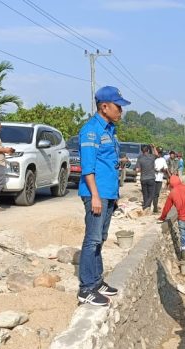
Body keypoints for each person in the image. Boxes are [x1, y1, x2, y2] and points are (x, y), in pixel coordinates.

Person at [76, 86, 130, 306]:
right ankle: (86, 288)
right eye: (118, 106)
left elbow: (109, 164)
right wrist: (95, 196)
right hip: (95, 194)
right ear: (104, 106)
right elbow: (88, 168)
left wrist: (114, 195)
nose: (121, 111)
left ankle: (97, 282)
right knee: (92, 240)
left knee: (101, 239)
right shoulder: (91, 130)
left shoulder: (110, 130)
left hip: (108, 193)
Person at [158, 175, 185, 263]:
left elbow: (167, 208)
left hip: (182, 221)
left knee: (184, 241)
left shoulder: (172, 193)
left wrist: (162, 217)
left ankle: (184, 260)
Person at [135, 145, 156, 211]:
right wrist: (154, 147)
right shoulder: (152, 157)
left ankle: (146, 207)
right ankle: (146, 206)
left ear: (141, 151)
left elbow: (137, 170)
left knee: (145, 194)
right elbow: (156, 154)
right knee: (152, 194)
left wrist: (141, 169)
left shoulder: (140, 158)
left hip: (143, 179)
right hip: (151, 178)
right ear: (148, 150)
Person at [153, 147, 168, 213]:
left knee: (156, 194)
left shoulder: (163, 160)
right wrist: (155, 169)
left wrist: (162, 170)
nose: (159, 154)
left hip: (159, 179)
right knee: (152, 193)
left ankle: (155, 207)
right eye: (158, 153)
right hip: (153, 178)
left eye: (160, 153)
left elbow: (165, 168)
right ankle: (152, 206)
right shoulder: (153, 159)